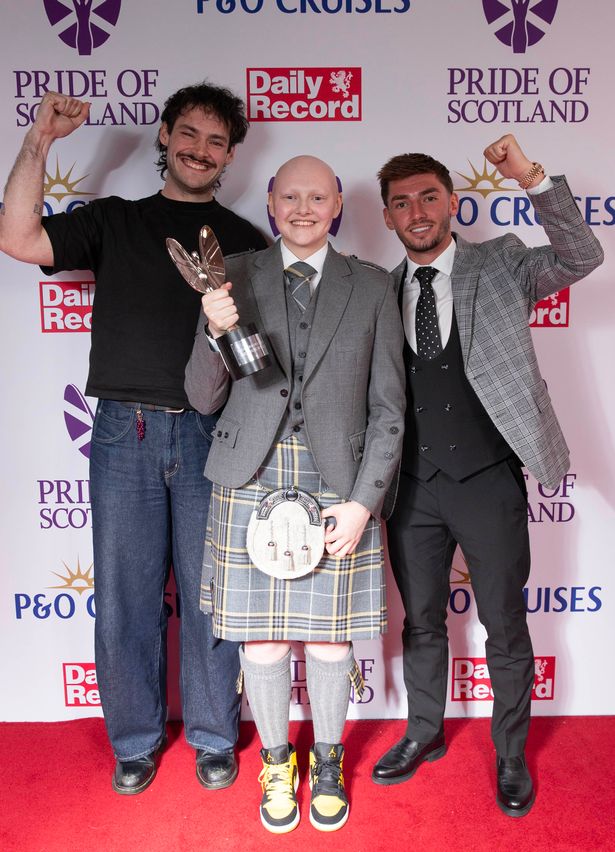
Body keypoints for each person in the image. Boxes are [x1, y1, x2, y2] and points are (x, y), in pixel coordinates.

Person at [0, 82, 267, 794]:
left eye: (216, 141)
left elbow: (263, 358)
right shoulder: (114, 220)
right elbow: (17, 238)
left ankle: (214, 733)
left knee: (213, 593)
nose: (200, 150)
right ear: (164, 135)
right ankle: (135, 740)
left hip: (215, 434)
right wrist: (39, 142)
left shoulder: (246, 242)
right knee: (124, 594)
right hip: (125, 430)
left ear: (231, 155)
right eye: (189, 134)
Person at [370, 134, 603, 816]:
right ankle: (423, 732)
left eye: (428, 197)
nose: (416, 212)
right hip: (409, 486)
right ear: (386, 216)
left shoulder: (500, 263)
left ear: (450, 202)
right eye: (400, 202)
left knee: (504, 622)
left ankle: (509, 754)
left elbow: (581, 256)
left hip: (488, 477)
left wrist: (529, 177)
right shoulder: (377, 292)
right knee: (419, 621)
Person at [185, 155, 405, 833]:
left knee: (333, 644)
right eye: (290, 196)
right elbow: (200, 394)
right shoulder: (235, 275)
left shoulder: (370, 286)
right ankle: (277, 759)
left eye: (317, 196)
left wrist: (365, 500)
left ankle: (330, 759)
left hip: (338, 484)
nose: (303, 208)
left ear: (336, 203)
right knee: (265, 645)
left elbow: (389, 409)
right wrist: (213, 325)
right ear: (272, 203)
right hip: (249, 477)